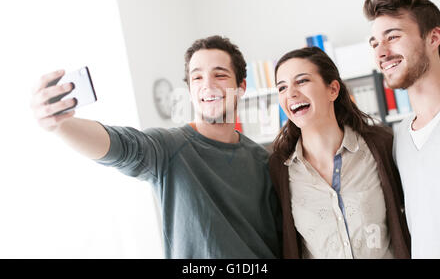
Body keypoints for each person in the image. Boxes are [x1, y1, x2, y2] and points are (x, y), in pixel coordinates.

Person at [30, 35, 281, 259]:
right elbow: (121, 147)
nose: (208, 85)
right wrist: (60, 125)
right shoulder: (169, 148)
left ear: (241, 87)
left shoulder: (262, 159)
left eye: (220, 74)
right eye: (197, 77)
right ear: (191, 90)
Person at [268, 47, 410, 259]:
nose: (291, 94)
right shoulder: (279, 167)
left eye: (302, 81)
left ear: (333, 89)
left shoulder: (381, 145)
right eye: (282, 87)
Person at [364, 0, 440, 258]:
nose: (382, 52)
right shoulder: (399, 137)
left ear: (433, 38)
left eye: (393, 37)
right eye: (375, 43)